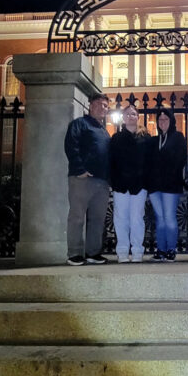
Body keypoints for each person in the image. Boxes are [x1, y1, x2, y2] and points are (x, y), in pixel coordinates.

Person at [64, 92, 111, 266]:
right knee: (77, 217)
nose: (103, 108)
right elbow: (71, 146)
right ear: (90, 106)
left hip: (102, 182)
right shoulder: (79, 124)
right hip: (82, 179)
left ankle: (93, 252)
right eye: (99, 104)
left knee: (97, 219)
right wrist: (80, 170)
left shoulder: (104, 131)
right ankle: (75, 254)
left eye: (105, 106)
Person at [109, 104, 150, 262]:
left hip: (139, 185)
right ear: (123, 118)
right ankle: (122, 251)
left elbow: (149, 162)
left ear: (138, 117)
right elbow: (111, 161)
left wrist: (145, 181)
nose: (131, 117)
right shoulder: (116, 138)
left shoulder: (145, 138)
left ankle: (137, 251)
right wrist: (113, 180)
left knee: (137, 218)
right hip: (121, 184)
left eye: (133, 114)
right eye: (128, 114)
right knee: (121, 218)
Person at [147, 107, 187, 261]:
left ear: (171, 121)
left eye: (166, 119)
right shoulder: (154, 140)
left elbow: (180, 160)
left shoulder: (178, 137)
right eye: (160, 119)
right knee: (160, 218)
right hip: (155, 186)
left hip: (171, 185)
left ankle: (171, 248)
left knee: (169, 217)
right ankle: (161, 249)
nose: (162, 122)